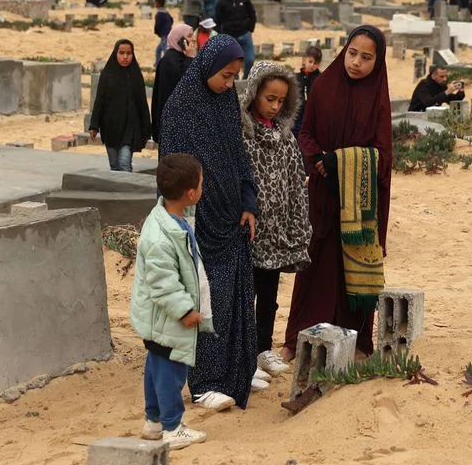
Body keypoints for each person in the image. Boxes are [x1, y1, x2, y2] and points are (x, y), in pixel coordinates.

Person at [158, 36, 260, 411]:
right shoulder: (181, 108)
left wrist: (248, 201)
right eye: (225, 76)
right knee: (207, 297)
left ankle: (237, 369)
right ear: (206, 66)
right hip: (199, 222)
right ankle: (205, 382)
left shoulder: (226, 100)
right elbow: (171, 173)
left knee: (235, 294)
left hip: (231, 217)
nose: (229, 84)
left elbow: (237, 153)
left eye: (235, 76)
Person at [283, 26, 392, 360]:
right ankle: (296, 339)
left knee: (353, 266)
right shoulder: (325, 84)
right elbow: (306, 132)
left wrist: (341, 163)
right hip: (323, 193)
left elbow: (383, 155)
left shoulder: (377, 99)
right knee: (314, 266)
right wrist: (318, 162)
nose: (356, 62)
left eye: (366, 57)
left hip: (358, 203)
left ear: (378, 61)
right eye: (352, 53)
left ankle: (357, 342)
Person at [130, 152, 212, 449]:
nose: (204, 188)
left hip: (159, 319)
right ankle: (172, 427)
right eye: (202, 184)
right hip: (166, 317)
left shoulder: (173, 217)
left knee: (155, 367)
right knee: (170, 373)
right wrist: (185, 311)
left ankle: (153, 422)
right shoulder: (159, 236)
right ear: (191, 194)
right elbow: (164, 284)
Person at [239, 62, 312, 378]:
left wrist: (297, 223)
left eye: (281, 101)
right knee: (245, 294)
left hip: (275, 234)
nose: (275, 106)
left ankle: (263, 349)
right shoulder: (242, 135)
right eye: (269, 98)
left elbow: (297, 181)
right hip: (248, 232)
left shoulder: (285, 138)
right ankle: (243, 356)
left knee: (268, 296)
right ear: (254, 93)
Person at [89, 39, 152, 172]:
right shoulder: (107, 75)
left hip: (130, 127)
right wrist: (94, 125)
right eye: (121, 53)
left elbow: (142, 103)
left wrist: (147, 129)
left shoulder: (135, 75)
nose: (125, 57)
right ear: (115, 53)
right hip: (110, 128)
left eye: (129, 53)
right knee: (114, 166)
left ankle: (128, 192)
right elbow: (99, 101)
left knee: (124, 164)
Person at [152, 24, 195, 142]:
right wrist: (190, 58)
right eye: (190, 36)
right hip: (172, 124)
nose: (194, 39)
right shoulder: (170, 61)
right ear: (179, 39)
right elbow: (184, 83)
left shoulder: (179, 58)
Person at [216, 0, 257, 76]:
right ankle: (235, 83)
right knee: (232, 63)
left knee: (250, 60)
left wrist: (250, 29)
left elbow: (252, 14)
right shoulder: (222, 2)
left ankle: (246, 78)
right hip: (230, 36)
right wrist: (221, 34)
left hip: (245, 34)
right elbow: (218, 19)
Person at [294, 46, 321, 135]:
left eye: (316, 63)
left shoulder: (320, 78)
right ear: (304, 60)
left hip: (312, 114)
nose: (312, 65)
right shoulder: (297, 77)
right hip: (297, 113)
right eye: (310, 61)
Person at [153, 0, 173, 65]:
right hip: (168, 32)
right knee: (158, 49)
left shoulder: (159, 14)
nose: (154, 4)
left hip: (164, 34)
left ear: (158, 3)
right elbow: (171, 20)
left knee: (165, 49)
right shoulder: (166, 12)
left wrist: (157, 32)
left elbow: (157, 25)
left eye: (155, 2)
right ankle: (157, 63)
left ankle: (168, 63)